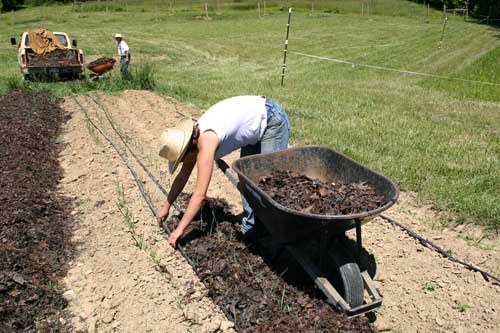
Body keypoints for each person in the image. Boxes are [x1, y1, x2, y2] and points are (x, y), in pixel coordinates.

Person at [156, 96, 290, 247]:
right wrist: (166, 205)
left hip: (271, 120)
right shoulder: (194, 138)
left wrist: (180, 229)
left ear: (188, 149)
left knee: (268, 186)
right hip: (255, 123)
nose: (183, 163)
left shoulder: (206, 143)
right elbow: (182, 176)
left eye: (181, 159)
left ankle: (279, 238)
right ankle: (252, 230)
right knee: (248, 181)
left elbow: (200, 195)